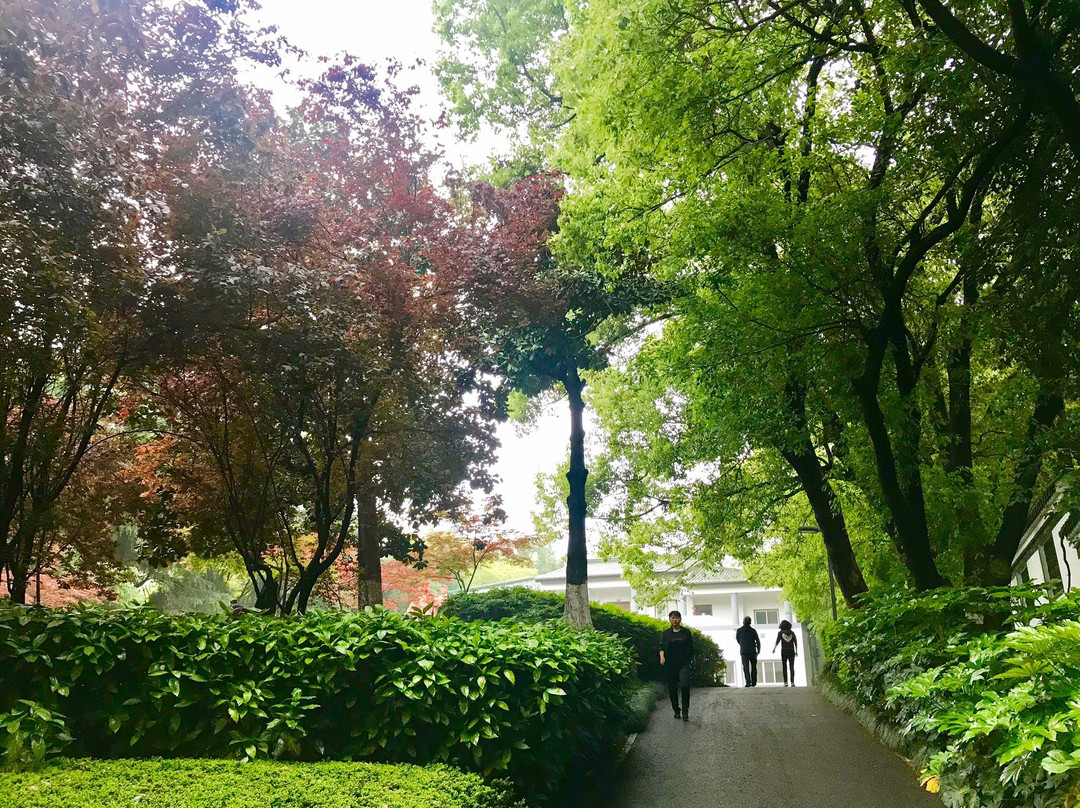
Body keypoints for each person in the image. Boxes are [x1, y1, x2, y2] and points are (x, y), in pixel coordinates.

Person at [659, 610, 694, 720]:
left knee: (684, 686)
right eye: (672, 617)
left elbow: (691, 648)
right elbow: (661, 647)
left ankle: (685, 710)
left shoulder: (686, 632)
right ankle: (676, 710)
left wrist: (692, 660)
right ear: (669, 619)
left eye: (677, 617)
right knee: (672, 688)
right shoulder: (666, 633)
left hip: (684, 663)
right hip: (671, 664)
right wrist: (662, 657)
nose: (675, 620)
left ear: (680, 619)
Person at [772, 619, 799, 687]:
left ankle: (785, 682)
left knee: (784, 666)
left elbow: (777, 641)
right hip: (791, 650)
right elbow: (795, 642)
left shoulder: (780, 633)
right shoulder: (792, 633)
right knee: (791, 667)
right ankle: (792, 682)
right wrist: (796, 651)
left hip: (784, 651)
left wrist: (774, 648)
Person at [736, 616, 760, 687]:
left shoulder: (739, 630)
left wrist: (742, 644)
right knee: (753, 667)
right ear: (750, 622)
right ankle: (754, 682)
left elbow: (738, 639)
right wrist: (758, 650)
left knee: (745, 667)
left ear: (743, 622)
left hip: (744, 651)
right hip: (752, 650)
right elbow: (758, 641)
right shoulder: (753, 631)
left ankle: (748, 682)